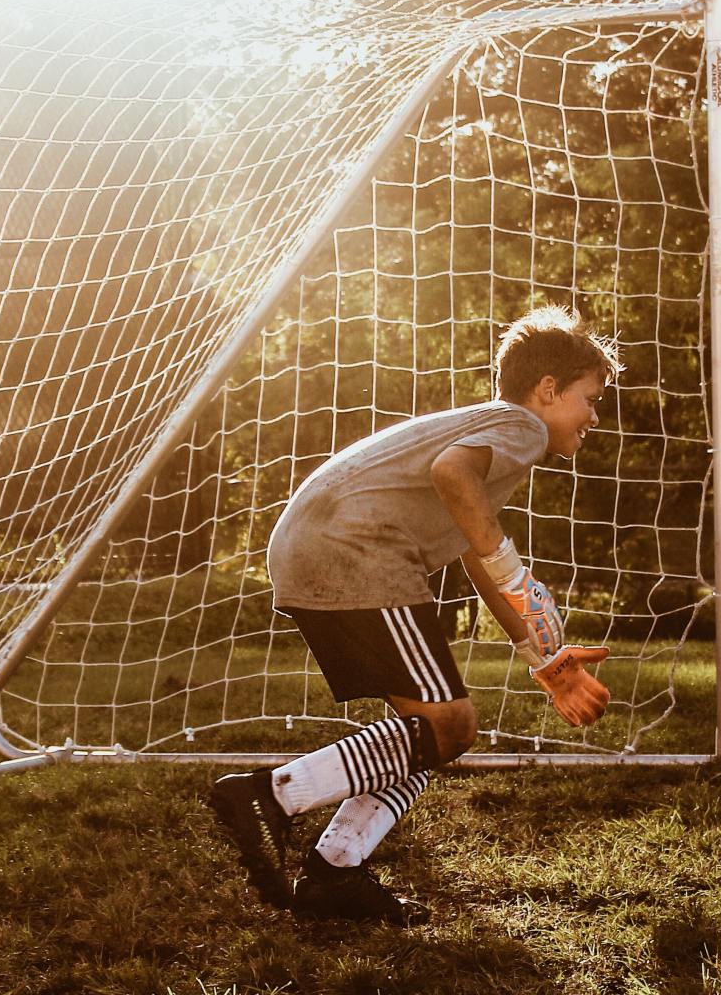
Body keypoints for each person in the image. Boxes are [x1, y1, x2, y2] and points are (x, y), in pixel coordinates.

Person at [211, 304, 617, 924]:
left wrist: (543, 659)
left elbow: (473, 550)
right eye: (590, 398)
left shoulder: (490, 436)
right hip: (357, 553)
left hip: (319, 546)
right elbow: (453, 479)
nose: (594, 415)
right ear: (548, 390)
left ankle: (335, 876)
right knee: (450, 727)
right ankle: (269, 796)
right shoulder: (520, 426)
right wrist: (515, 570)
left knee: (429, 735)